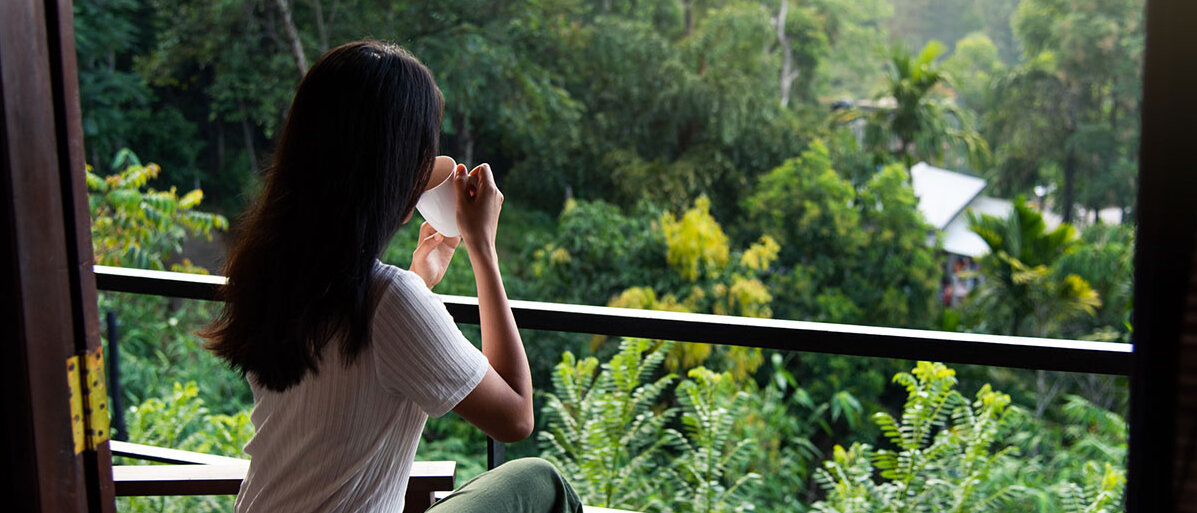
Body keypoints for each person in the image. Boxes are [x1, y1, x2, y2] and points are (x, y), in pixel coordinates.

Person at [202, 40, 581, 513]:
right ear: (395, 172)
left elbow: (354, 365)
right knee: (541, 482)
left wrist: (419, 279)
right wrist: (484, 250)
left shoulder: (269, 270)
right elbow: (516, 416)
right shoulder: (390, 302)